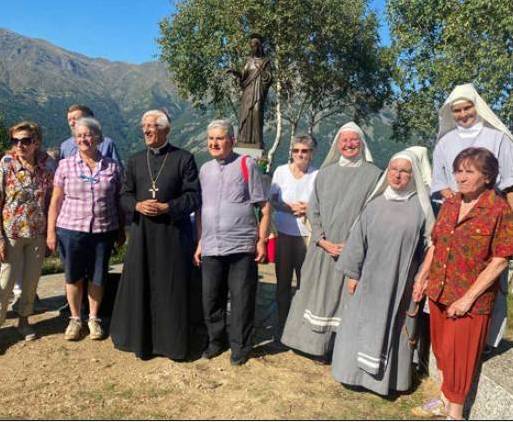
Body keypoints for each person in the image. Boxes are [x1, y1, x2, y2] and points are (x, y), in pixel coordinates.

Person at [414, 147, 513, 420]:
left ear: (488, 176)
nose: (461, 177)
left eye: (469, 171)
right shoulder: (451, 203)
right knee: (443, 351)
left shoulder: (499, 209)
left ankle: (455, 413)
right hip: (439, 290)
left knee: (460, 357)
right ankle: (445, 400)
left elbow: (500, 260)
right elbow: (436, 243)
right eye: (458, 170)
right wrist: (422, 276)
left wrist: (468, 298)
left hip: (470, 299)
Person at [331, 149, 435, 396]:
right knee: (359, 325)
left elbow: (431, 246)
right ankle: (352, 374)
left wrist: (422, 277)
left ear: (414, 176)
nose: (398, 176)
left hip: (402, 284)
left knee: (396, 329)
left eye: (404, 171)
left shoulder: (421, 210)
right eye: (393, 170)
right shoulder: (374, 205)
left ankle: (389, 382)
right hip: (369, 282)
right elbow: (357, 242)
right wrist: (353, 275)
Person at [280, 122, 381, 359]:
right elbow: (313, 209)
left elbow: (371, 213)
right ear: (337, 144)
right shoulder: (326, 173)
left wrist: (353, 244)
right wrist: (322, 239)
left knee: (344, 299)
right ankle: (309, 344)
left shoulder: (374, 175)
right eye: (344, 140)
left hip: (352, 250)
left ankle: (338, 349)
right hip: (322, 249)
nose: (348, 144)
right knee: (314, 294)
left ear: (362, 143)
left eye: (353, 140)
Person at [110, 110, 201, 361]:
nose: (147, 130)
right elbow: (124, 195)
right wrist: (137, 206)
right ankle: (141, 340)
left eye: (152, 126)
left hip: (173, 235)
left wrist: (168, 207)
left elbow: (194, 197)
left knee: (170, 288)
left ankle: (171, 343)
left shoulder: (184, 158)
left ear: (165, 130)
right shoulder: (136, 160)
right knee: (142, 285)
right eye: (144, 126)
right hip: (142, 236)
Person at [432, 83, 513, 349]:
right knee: (448, 274)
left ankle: (486, 340)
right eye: (457, 111)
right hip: (456, 216)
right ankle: (449, 338)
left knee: (492, 278)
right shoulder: (445, 142)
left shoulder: (498, 138)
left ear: (477, 108)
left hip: (492, 215)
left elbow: (510, 184)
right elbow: (442, 183)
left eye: (467, 108)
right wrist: (459, 206)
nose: (463, 114)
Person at [193, 119, 270, 365]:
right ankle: (217, 341)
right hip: (211, 245)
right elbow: (201, 209)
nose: (214, 143)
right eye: (211, 139)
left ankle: (240, 347)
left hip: (241, 245)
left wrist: (261, 241)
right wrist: (199, 242)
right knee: (211, 298)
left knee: (241, 299)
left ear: (232, 141)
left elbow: (265, 207)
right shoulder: (205, 169)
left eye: (220, 138)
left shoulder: (247, 164)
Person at [47, 117, 124, 341]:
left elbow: (119, 200)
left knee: (98, 276)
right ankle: (75, 319)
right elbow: (56, 201)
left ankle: (93, 318)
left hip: (104, 229)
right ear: (74, 139)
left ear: (98, 138)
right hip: (70, 228)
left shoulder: (113, 167)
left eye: (88, 135)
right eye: (79, 135)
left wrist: (121, 229)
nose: (83, 139)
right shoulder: (65, 165)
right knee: (73, 276)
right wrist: (51, 232)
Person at [0, 121, 55, 341]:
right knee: (5, 281)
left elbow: (52, 199)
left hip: (37, 233)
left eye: (25, 141)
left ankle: (24, 320)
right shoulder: (6, 164)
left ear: (36, 142)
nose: (20, 145)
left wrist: (52, 232)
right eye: (15, 141)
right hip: (10, 232)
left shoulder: (47, 164)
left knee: (31, 281)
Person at [268, 135, 318, 338]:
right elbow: (272, 200)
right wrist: (288, 208)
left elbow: (321, 204)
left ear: (311, 154)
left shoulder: (317, 175)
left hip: (306, 236)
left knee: (305, 283)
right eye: (296, 150)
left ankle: (302, 328)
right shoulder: (281, 171)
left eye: (304, 151)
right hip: (283, 234)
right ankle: (282, 325)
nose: (300, 154)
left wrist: (308, 208)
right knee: (283, 284)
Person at [228, 35, 272, 149]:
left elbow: (269, 78)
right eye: (251, 46)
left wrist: (261, 70)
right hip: (248, 92)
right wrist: (235, 72)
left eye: (255, 46)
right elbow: (244, 75)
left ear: (259, 46)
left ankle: (256, 141)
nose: (253, 48)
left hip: (258, 91)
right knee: (245, 115)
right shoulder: (249, 61)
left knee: (256, 113)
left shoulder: (266, 61)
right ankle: (243, 139)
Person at [60, 104, 123, 168]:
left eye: (76, 119)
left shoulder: (107, 144)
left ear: (90, 119)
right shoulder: (65, 146)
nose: (71, 123)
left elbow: (118, 171)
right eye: (69, 120)